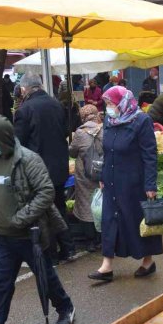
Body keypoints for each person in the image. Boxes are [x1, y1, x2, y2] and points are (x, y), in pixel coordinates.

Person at [0, 115, 75, 324]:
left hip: (30, 234)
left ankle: (65, 307)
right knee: (1, 284)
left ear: (1, 138)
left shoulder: (28, 159)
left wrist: (21, 218)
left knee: (45, 276)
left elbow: (46, 192)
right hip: (3, 237)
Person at [88, 86, 162, 283]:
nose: (109, 107)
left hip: (134, 182)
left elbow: (149, 155)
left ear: (123, 102)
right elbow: (107, 151)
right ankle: (107, 265)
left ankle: (148, 261)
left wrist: (150, 184)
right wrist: (103, 176)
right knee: (109, 221)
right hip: (112, 179)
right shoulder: (110, 120)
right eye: (107, 104)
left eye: (111, 103)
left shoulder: (141, 121)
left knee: (137, 221)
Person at [13, 73, 76, 263]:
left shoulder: (24, 110)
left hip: (37, 169)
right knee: (59, 206)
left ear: (25, 89)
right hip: (59, 165)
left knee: (43, 213)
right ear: (40, 85)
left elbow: (19, 143)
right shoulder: (57, 104)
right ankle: (68, 248)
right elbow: (66, 130)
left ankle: (51, 255)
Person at [69, 105, 103, 252]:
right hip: (102, 173)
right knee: (101, 203)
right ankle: (101, 238)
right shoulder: (105, 130)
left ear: (83, 117)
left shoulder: (80, 133)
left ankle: (90, 242)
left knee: (85, 205)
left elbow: (72, 152)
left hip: (84, 175)